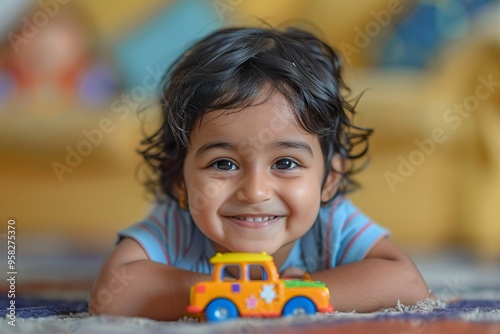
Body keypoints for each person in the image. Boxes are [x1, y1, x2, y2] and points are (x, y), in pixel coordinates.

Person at [89, 26, 431, 321]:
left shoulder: (333, 222)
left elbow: (407, 284)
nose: (254, 192)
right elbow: (111, 296)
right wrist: (232, 293)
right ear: (179, 179)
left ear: (329, 180)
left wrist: (299, 290)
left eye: (285, 163)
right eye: (223, 164)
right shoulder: (175, 224)